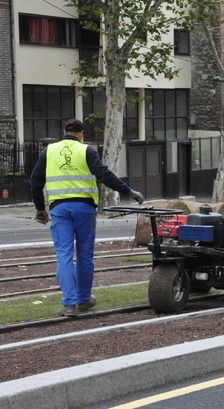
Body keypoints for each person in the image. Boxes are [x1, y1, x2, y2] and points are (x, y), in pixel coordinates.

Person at [30, 118, 145, 317]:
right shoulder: (86, 151)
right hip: (85, 209)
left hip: (59, 209)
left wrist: (40, 209)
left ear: (63, 132)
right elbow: (105, 175)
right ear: (82, 134)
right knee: (84, 255)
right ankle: (84, 299)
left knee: (64, 256)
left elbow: (35, 181)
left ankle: (69, 304)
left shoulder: (49, 151)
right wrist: (129, 191)